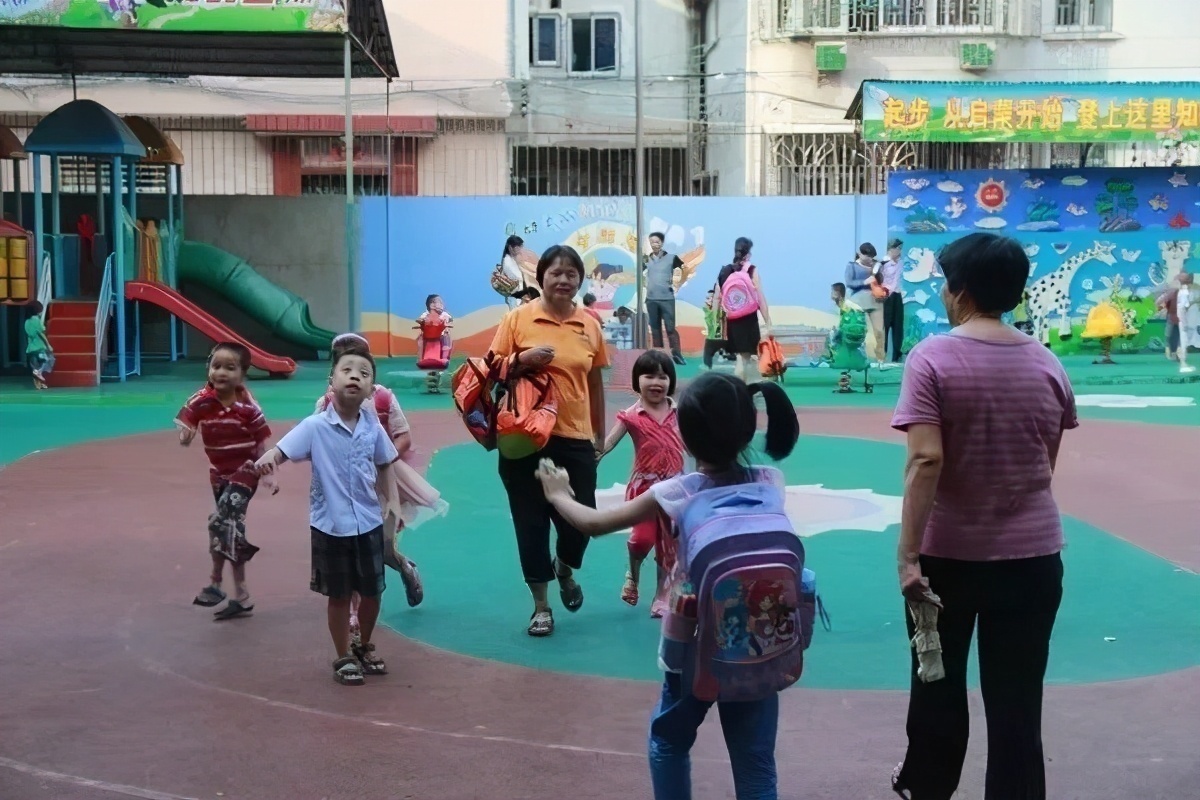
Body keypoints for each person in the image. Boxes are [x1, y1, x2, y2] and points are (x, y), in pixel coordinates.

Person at [536, 371, 800, 800]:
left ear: (686, 435)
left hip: (693, 646)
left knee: (670, 741)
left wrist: (558, 493)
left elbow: (594, 523)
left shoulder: (676, 492)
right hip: (757, 643)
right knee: (754, 762)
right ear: (749, 428)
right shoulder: (771, 481)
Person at [889, 232, 1077, 800]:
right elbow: (1043, 466)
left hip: (948, 562)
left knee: (936, 689)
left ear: (960, 291)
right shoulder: (1048, 363)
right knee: (1018, 703)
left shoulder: (932, 357)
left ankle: (927, 790)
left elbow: (925, 459)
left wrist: (907, 555)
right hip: (1033, 559)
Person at [255, 345, 401, 686]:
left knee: (373, 591)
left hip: (368, 522)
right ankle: (343, 655)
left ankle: (364, 645)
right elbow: (281, 450)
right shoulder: (315, 426)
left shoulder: (372, 427)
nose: (355, 376)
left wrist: (391, 501)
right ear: (331, 380)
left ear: (371, 389)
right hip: (331, 525)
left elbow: (384, 463)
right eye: (347, 370)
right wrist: (269, 462)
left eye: (364, 374)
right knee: (338, 594)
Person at [489, 244, 610, 637]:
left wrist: (598, 435)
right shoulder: (518, 319)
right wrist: (522, 361)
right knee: (531, 521)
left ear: (579, 281)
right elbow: (490, 369)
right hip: (524, 437)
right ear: (540, 277)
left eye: (571, 274)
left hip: (574, 435)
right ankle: (541, 606)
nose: (563, 279)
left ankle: (565, 567)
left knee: (583, 519)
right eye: (555, 272)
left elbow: (594, 382)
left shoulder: (589, 324)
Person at [315, 333, 445, 628]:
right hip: (345, 489)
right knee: (351, 550)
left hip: (383, 486)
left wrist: (378, 461)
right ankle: (352, 610)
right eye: (343, 363)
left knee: (380, 549)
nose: (352, 372)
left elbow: (403, 437)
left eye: (360, 364)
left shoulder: (383, 397)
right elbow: (318, 444)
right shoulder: (325, 404)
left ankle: (404, 566)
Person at [176, 342, 278, 621]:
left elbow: (261, 443)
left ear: (243, 373)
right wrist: (186, 435)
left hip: (246, 472)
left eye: (230, 368)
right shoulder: (200, 401)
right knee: (230, 531)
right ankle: (240, 595)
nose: (221, 372)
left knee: (218, 522)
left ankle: (216, 582)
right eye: (216, 366)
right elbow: (187, 423)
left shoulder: (248, 408)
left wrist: (268, 472)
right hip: (218, 474)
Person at [597, 350, 684, 617]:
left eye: (663, 377)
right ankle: (633, 573)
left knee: (668, 547)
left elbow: (695, 443)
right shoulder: (631, 416)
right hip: (643, 491)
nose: (656, 382)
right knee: (641, 540)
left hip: (675, 491)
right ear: (637, 381)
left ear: (670, 381)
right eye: (649, 376)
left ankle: (661, 594)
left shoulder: (680, 413)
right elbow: (608, 443)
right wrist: (594, 454)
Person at [717, 237, 773, 383]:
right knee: (743, 359)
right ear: (748, 254)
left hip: (732, 320)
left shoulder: (725, 271)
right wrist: (768, 321)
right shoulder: (751, 270)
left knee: (740, 358)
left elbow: (718, 298)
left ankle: (739, 389)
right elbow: (760, 297)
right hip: (748, 319)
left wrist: (718, 325)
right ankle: (740, 390)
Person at [643, 232, 687, 365]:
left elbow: (685, 269)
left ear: (662, 243)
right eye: (652, 242)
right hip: (651, 299)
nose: (654, 245)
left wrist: (679, 283)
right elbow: (638, 272)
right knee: (655, 329)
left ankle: (677, 354)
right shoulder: (646, 259)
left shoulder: (672, 258)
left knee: (670, 328)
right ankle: (659, 356)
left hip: (667, 298)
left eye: (657, 242)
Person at [845, 243, 885, 363]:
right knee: (860, 331)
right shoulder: (851, 266)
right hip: (858, 302)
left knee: (879, 331)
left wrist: (877, 271)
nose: (869, 258)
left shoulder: (875, 266)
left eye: (871, 256)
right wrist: (864, 281)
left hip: (875, 301)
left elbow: (880, 281)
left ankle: (880, 358)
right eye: (867, 255)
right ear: (860, 253)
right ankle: (858, 357)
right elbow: (850, 282)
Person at [879, 238, 905, 363]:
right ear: (891, 249)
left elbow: (897, 281)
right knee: (885, 325)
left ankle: (897, 355)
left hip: (897, 295)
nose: (900, 251)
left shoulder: (900, 262)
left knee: (898, 325)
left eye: (901, 248)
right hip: (886, 296)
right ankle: (882, 354)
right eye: (898, 248)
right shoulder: (883, 263)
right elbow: (878, 280)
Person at [24, 301, 54, 390]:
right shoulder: (36, 320)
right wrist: (48, 345)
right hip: (39, 347)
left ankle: (38, 384)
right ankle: (39, 376)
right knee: (48, 360)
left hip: (30, 348)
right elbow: (41, 334)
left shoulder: (27, 322)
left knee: (35, 367)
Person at [415, 293, 453, 360]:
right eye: (439, 303)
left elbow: (450, 318)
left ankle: (445, 356)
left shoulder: (444, 314)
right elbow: (420, 319)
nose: (441, 305)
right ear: (430, 305)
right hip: (428, 334)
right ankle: (421, 358)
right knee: (420, 338)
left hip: (441, 334)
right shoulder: (426, 314)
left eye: (441, 303)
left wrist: (446, 321)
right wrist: (422, 321)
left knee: (447, 336)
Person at [495, 234, 526, 307]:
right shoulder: (507, 261)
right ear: (510, 248)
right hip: (517, 299)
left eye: (521, 246)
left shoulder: (513, 259)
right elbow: (519, 277)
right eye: (517, 247)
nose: (520, 249)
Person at [701, 288, 728, 369]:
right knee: (707, 359)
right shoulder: (707, 309)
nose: (708, 300)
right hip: (713, 338)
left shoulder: (722, 310)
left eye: (710, 297)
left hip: (720, 339)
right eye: (708, 298)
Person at [1176, 273, 1195, 374]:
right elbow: (1184, 307)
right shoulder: (1185, 292)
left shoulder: (1180, 291)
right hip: (1181, 319)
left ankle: (1183, 363)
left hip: (1179, 319)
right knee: (1183, 342)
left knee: (1182, 342)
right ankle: (1183, 364)